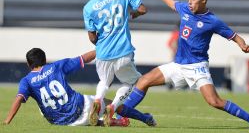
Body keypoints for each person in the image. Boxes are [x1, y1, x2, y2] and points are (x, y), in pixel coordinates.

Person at [124, 0, 249, 127]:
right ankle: (122, 115)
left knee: (214, 102)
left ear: (203, 0)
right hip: (178, 65)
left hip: (198, 67)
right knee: (143, 81)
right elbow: (173, 4)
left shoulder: (213, 21)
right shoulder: (185, 9)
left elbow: (234, 36)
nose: (189, 2)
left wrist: (242, 45)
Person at [3, 48, 156, 126]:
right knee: (112, 104)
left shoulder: (26, 81)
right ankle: (145, 118)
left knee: (43, 108)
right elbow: (84, 58)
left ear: (29, 64)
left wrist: (7, 121)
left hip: (61, 121)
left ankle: (108, 122)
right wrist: (104, 48)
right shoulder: (56, 66)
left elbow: (18, 99)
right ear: (45, 60)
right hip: (79, 106)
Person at [83, 0, 148, 126]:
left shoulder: (88, 7)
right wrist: (135, 14)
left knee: (104, 81)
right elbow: (142, 8)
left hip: (103, 52)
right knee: (132, 82)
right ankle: (112, 107)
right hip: (123, 51)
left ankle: (98, 99)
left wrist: (101, 40)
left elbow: (92, 37)